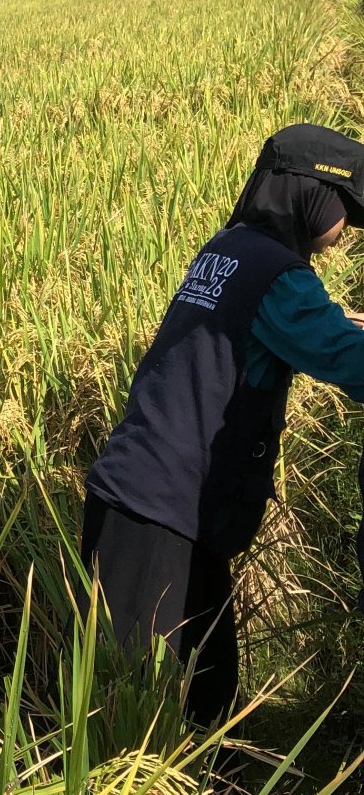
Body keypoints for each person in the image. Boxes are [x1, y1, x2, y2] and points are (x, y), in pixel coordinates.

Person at [83, 123, 364, 724]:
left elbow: (264, 331)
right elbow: (349, 361)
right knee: (136, 707)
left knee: (206, 679)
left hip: (154, 498)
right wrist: (343, 331)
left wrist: (336, 322)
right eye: (347, 209)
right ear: (313, 194)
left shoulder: (230, 247)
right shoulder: (281, 278)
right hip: (159, 509)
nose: (347, 231)